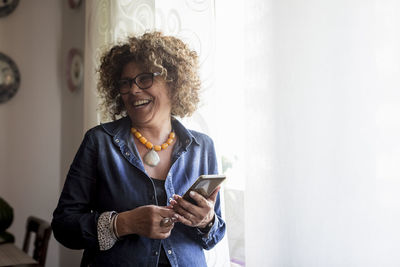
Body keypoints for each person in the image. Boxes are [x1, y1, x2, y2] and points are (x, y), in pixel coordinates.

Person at [52, 31, 226, 267]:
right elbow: (64, 226)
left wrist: (206, 220)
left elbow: (213, 237)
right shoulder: (99, 142)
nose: (133, 90)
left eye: (145, 79)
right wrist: (124, 223)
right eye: (125, 82)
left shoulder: (202, 147)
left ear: (173, 82)